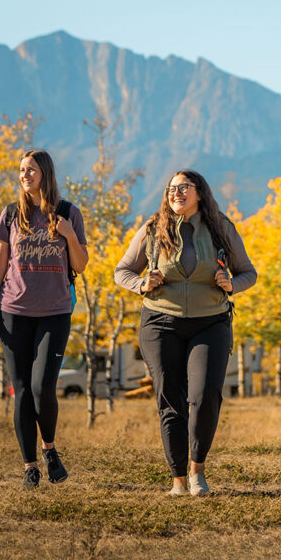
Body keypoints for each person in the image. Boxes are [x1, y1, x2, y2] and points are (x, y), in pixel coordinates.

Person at [115, 169, 256, 496]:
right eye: (171, 188)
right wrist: (142, 284)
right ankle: (178, 479)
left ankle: (197, 470)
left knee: (205, 396)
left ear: (200, 193)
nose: (175, 193)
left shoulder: (221, 228)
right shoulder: (153, 229)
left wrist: (231, 284)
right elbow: (121, 271)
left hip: (211, 322)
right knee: (170, 399)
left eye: (183, 187)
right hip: (160, 322)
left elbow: (249, 273)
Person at [0, 149, 88, 488]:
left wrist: (69, 235)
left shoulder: (68, 212)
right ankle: (30, 467)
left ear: (45, 174)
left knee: (43, 388)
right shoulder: (11, 214)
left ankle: (49, 449)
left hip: (55, 312)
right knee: (22, 391)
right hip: (13, 312)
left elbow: (81, 265)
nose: (25, 175)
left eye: (31, 170)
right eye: (22, 170)